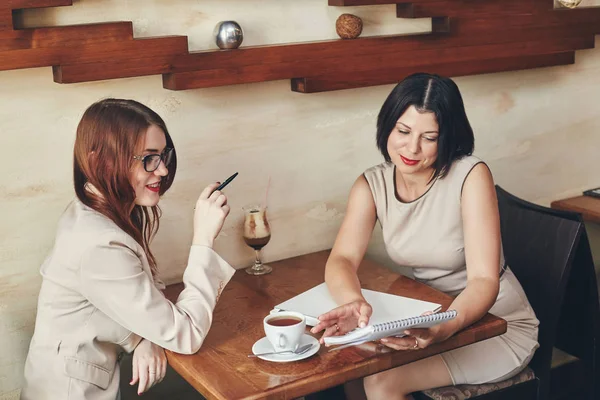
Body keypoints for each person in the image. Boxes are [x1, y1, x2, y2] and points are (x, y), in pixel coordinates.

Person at [311, 73, 539, 400]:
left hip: (493, 326)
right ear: (387, 126)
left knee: (380, 382)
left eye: (429, 137)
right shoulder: (371, 184)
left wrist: (443, 327)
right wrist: (352, 302)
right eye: (403, 131)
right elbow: (343, 259)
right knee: (351, 367)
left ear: (447, 138)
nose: (412, 148)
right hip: (425, 315)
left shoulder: (470, 175)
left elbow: (484, 280)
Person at [21, 99, 235, 400]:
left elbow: (143, 289)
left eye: (163, 156)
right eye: (148, 158)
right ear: (102, 161)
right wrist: (202, 240)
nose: (161, 170)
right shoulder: (99, 243)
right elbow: (186, 335)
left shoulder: (98, 206)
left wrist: (149, 336)